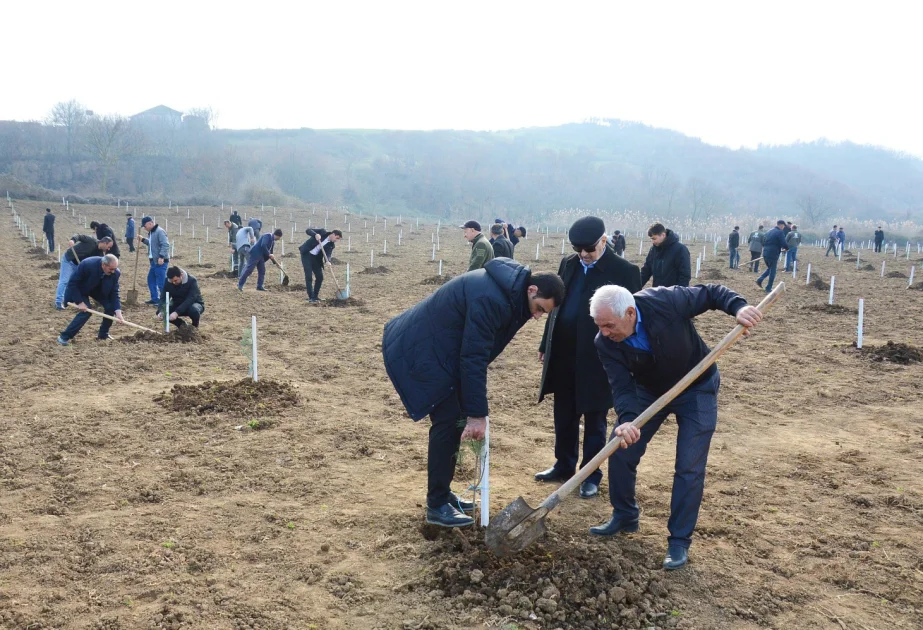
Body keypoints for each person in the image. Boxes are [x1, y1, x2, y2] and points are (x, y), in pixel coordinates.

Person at [587, 283, 763, 570]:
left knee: (689, 466)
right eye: (599, 325)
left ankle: (679, 541)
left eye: (609, 325)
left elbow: (710, 293)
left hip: (697, 387)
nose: (604, 332)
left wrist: (739, 307)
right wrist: (627, 419)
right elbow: (621, 387)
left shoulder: (664, 301)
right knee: (619, 449)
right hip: (650, 391)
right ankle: (625, 514)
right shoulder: (604, 342)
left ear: (630, 312)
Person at [382, 259, 564, 527]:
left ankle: (443, 495)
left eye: (543, 313)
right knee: (448, 421)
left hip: (440, 349)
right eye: (539, 308)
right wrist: (477, 414)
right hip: (421, 351)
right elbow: (473, 357)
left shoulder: (509, 292)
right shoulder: (493, 299)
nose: (537, 316)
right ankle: (437, 506)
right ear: (531, 289)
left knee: (453, 419)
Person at [536, 217, 642, 499]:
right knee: (564, 413)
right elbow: (556, 308)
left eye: (589, 249)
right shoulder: (568, 264)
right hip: (564, 353)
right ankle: (563, 465)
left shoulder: (626, 271)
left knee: (595, 417)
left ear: (604, 241)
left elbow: (632, 318)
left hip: (600, 358)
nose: (583, 255)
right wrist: (545, 342)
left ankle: (591, 473)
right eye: (578, 249)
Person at [56, 254, 125, 345]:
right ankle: (64, 337)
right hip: (81, 288)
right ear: (103, 265)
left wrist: (118, 310)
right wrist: (79, 302)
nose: (113, 271)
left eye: (115, 269)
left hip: (98, 290)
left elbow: (114, 292)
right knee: (86, 311)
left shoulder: (115, 273)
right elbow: (73, 283)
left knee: (111, 307)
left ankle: (103, 335)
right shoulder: (87, 265)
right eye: (111, 269)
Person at [55, 235, 114, 310]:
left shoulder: (100, 255)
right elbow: (79, 236)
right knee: (65, 280)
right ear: (104, 243)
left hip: (79, 266)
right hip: (69, 260)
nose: (108, 249)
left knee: (76, 282)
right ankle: (59, 302)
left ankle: (71, 300)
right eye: (108, 247)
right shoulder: (91, 241)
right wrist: (73, 240)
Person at [300, 227, 343, 302]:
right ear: (333, 234)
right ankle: (311, 297)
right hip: (306, 254)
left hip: (316, 258)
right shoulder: (322, 232)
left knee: (320, 277)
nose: (337, 240)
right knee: (309, 276)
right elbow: (308, 230)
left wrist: (328, 261)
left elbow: (328, 254)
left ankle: (315, 296)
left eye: (338, 239)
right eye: (337, 238)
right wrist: (315, 234)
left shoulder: (331, 245)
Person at [640, 223, 690, 287]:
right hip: (657, 292)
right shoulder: (653, 250)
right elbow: (646, 271)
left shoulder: (680, 250)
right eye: (651, 239)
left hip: (673, 294)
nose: (653, 242)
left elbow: (684, 275)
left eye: (654, 238)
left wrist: (679, 294)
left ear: (663, 235)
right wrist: (635, 287)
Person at [139, 216, 170, 305]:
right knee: (151, 280)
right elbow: (152, 244)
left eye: (145, 226)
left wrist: (161, 257)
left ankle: (164, 301)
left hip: (161, 262)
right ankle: (155, 299)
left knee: (161, 282)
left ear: (150, 223)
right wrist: (143, 240)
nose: (144, 228)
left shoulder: (160, 231)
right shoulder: (151, 233)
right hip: (154, 262)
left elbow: (165, 245)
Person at [756, 220, 788, 292]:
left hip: (765, 252)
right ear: (781, 225)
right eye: (783, 226)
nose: (783, 227)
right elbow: (783, 242)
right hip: (773, 253)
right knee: (773, 270)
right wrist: (786, 248)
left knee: (770, 268)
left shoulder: (769, 231)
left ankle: (760, 279)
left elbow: (763, 242)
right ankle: (768, 288)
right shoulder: (780, 232)